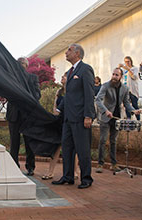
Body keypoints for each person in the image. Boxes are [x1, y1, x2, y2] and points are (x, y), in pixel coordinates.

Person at [52, 44, 95, 189]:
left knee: (82, 150)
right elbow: (69, 96)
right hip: (68, 119)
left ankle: (86, 178)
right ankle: (68, 176)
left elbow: (89, 94)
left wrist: (88, 115)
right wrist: (59, 109)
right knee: (67, 149)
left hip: (81, 118)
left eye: (69, 50)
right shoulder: (70, 72)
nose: (66, 52)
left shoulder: (85, 69)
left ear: (77, 53)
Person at [95, 68, 140, 173]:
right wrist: (105, 111)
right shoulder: (106, 86)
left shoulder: (124, 88)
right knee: (102, 140)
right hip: (105, 117)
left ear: (121, 77)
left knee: (113, 141)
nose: (114, 76)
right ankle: (100, 164)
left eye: (117, 75)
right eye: (113, 74)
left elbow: (127, 104)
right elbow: (98, 99)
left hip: (116, 118)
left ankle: (114, 164)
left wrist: (134, 111)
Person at [7, 57, 40, 176]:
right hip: (14, 115)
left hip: (28, 115)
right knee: (14, 143)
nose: (21, 65)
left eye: (23, 63)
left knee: (29, 143)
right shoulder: (11, 79)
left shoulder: (33, 78)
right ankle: (14, 166)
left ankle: (30, 167)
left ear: (27, 65)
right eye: (19, 63)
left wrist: (26, 99)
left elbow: (37, 95)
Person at [120, 56, 140, 120]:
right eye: (125, 62)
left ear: (131, 61)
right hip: (126, 90)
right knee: (126, 105)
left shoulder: (135, 68)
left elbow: (134, 77)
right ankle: (128, 119)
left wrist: (128, 69)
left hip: (133, 90)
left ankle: (138, 119)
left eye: (128, 61)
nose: (127, 63)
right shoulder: (123, 70)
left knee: (135, 105)